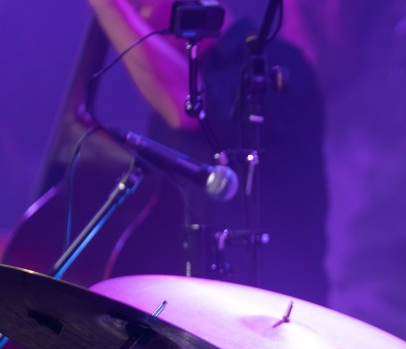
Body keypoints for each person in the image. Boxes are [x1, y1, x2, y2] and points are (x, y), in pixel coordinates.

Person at [88, 0, 331, 306]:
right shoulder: (176, 82)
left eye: (139, 4)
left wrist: (110, 6)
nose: (136, 18)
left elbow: (188, 108)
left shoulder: (274, 60)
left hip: (276, 303)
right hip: (191, 301)